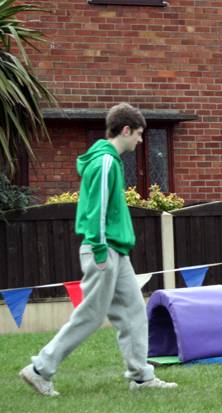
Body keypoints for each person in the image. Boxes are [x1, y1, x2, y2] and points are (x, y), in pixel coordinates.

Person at [20, 103, 178, 396]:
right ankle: (41, 368)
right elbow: (98, 209)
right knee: (91, 315)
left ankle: (141, 377)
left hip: (116, 250)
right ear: (126, 130)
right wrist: (101, 249)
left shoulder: (109, 161)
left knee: (133, 312)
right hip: (103, 250)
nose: (140, 141)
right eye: (139, 135)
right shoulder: (105, 162)